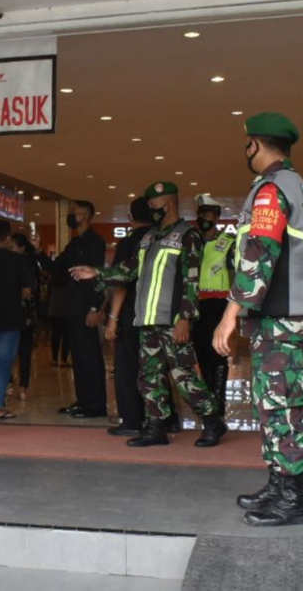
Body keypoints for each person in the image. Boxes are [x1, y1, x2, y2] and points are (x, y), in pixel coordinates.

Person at [213, 112, 303, 527]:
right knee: (276, 402)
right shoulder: (302, 188)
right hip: (289, 317)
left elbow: (259, 253)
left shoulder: (271, 190)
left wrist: (230, 313)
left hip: (280, 318)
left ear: (255, 145)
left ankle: (293, 498)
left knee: (283, 405)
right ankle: (280, 482)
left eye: (247, 145)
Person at [74, 182, 227, 448]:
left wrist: (185, 318)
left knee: (185, 377)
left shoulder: (187, 236)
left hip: (172, 321)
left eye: (153, 205)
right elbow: (131, 269)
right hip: (147, 320)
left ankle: (213, 421)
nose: (150, 210)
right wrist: (98, 272)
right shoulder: (149, 238)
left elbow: (191, 280)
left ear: (167, 204)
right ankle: (156, 427)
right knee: (149, 377)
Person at [101, 198, 155, 437]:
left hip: (132, 314)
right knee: (156, 369)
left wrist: (112, 319)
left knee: (127, 368)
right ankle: (164, 419)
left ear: (130, 218)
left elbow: (120, 284)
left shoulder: (130, 242)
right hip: (157, 314)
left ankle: (133, 419)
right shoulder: (160, 238)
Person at [55, 200, 108, 418]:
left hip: (87, 307)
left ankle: (95, 405)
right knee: (78, 356)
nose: (71, 216)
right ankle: (84, 400)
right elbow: (58, 267)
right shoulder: (75, 243)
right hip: (74, 307)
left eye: (75, 213)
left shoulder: (95, 242)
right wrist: (36, 250)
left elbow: (99, 277)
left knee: (90, 356)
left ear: (85, 215)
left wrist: (95, 307)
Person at [0, 220, 32, 419]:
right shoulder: (18, 260)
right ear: (8, 237)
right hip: (10, 316)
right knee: (4, 361)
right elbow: (26, 291)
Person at [190, 194, 235, 417]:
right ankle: (208, 399)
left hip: (218, 304)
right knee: (200, 354)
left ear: (216, 216)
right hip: (195, 304)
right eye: (201, 214)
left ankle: (218, 402)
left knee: (216, 355)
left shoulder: (227, 242)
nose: (204, 218)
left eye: (209, 214)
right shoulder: (192, 241)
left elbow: (234, 274)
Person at [9, 233, 40, 401]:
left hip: (22, 313)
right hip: (23, 312)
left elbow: (28, 290)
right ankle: (19, 386)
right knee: (19, 350)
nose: (10, 251)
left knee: (20, 350)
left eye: (12, 247)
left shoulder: (27, 264)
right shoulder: (26, 263)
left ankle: (21, 385)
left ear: (22, 248)